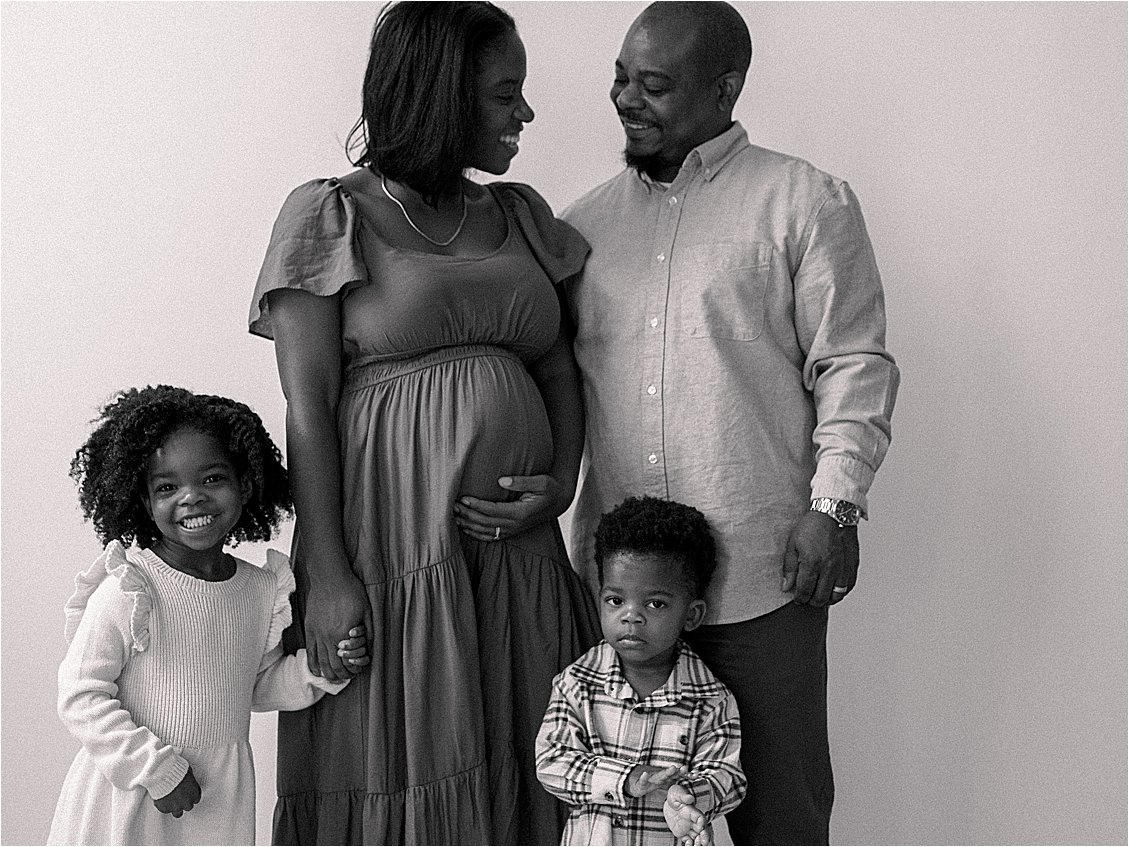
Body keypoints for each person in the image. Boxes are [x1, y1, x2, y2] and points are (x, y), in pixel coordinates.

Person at [248, 2, 599, 843]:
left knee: (529, 744)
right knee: (399, 758)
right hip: (390, 544)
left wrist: (560, 485)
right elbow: (308, 405)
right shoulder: (329, 213)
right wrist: (329, 573)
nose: (525, 113)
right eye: (504, 94)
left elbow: (558, 366)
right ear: (441, 97)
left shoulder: (517, 214)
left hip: (514, 553)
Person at [560, 3, 901, 843]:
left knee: (779, 813)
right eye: (619, 78)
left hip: (759, 575)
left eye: (653, 84)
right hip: (621, 596)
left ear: (724, 89)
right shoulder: (580, 230)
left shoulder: (803, 201)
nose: (625, 99)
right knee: (622, 818)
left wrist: (834, 507)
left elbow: (852, 364)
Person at [48, 385, 366, 846]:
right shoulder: (131, 588)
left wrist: (324, 668)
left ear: (245, 484)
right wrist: (155, 769)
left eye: (213, 478)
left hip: (217, 798)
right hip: (132, 796)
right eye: (167, 487)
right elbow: (81, 695)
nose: (191, 497)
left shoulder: (258, 590)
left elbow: (257, 683)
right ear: (145, 502)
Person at [535, 496, 746, 846]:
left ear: (691, 615)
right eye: (616, 601)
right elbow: (551, 761)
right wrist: (625, 779)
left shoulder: (711, 700)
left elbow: (728, 777)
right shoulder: (577, 683)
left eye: (655, 603)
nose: (631, 616)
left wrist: (689, 796)